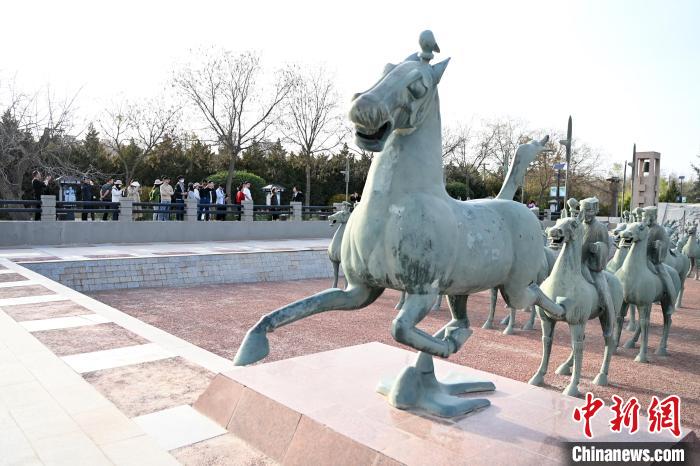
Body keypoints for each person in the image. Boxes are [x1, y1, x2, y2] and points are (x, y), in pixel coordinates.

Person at [579, 197, 615, 337]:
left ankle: (608, 318)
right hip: (576, 264)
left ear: (595, 210)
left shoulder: (600, 228)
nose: (586, 214)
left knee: (603, 290)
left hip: (592, 266)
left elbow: (607, 245)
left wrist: (599, 248)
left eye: (588, 210)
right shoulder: (578, 225)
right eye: (583, 210)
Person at [642, 206, 678, 308]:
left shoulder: (660, 230)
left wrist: (659, 244)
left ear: (654, 217)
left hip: (653, 259)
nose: (645, 218)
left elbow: (665, 243)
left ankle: (671, 298)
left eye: (648, 216)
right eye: (644, 216)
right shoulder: (641, 227)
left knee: (665, 276)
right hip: (640, 258)